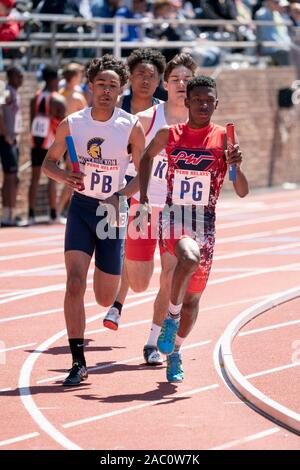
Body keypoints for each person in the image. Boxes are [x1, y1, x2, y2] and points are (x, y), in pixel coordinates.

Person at [42, 55, 145, 386]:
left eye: (113, 85)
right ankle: (78, 362)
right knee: (74, 282)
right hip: (83, 207)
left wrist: (122, 194)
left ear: (120, 90)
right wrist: (65, 177)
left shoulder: (130, 125)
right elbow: (48, 163)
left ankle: (112, 300)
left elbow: (141, 174)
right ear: (90, 86)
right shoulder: (73, 123)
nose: (106, 90)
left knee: (104, 296)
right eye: (100, 83)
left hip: (112, 210)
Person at [138, 75, 249, 382]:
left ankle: (175, 352)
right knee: (187, 258)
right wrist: (145, 198)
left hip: (205, 222)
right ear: (186, 102)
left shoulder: (224, 140)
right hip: (175, 215)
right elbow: (146, 158)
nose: (202, 104)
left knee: (194, 300)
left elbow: (241, 190)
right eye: (196, 99)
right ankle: (170, 319)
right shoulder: (168, 133)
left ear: (216, 104)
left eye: (208, 100)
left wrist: (236, 163)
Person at [104, 53, 197, 367]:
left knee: (170, 275)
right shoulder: (146, 120)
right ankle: (123, 294)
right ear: (166, 84)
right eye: (176, 79)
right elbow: (130, 169)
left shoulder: (199, 124)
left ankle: (153, 341)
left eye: (187, 80)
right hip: (144, 208)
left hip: (179, 211)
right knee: (140, 280)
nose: (181, 84)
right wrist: (118, 196)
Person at [28, 65, 66, 224]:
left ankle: (30, 215)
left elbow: (31, 121)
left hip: (35, 142)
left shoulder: (34, 98)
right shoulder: (58, 99)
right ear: (54, 79)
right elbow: (65, 124)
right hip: (52, 144)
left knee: (34, 178)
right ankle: (53, 214)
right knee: (53, 178)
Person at [58, 63, 88, 220]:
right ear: (75, 77)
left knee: (68, 175)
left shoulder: (60, 93)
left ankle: (60, 209)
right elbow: (88, 119)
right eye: (80, 74)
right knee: (73, 175)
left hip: (61, 138)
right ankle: (61, 209)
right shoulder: (77, 96)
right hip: (74, 141)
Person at [0, 66, 23, 227]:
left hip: (13, 138)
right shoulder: (6, 92)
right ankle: (7, 214)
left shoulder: (15, 92)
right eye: (18, 76)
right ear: (10, 77)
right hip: (6, 139)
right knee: (11, 177)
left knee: (13, 178)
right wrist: (6, 133)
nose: (21, 79)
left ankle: (9, 213)